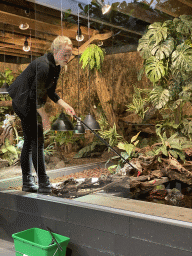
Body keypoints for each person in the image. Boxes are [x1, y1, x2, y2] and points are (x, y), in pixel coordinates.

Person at [7, 36, 76, 193]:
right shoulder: (44, 66)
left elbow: (50, 91)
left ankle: (28, 182)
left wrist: (65, 105)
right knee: (37, 141)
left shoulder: (56, 66)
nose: (68, 58)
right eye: (65, 54)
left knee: (31, 141)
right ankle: (43, 184)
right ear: (55, 51)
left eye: (70, 54)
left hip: (31, 101)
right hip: (23, 101)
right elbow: (35, 95)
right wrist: (44, 117)